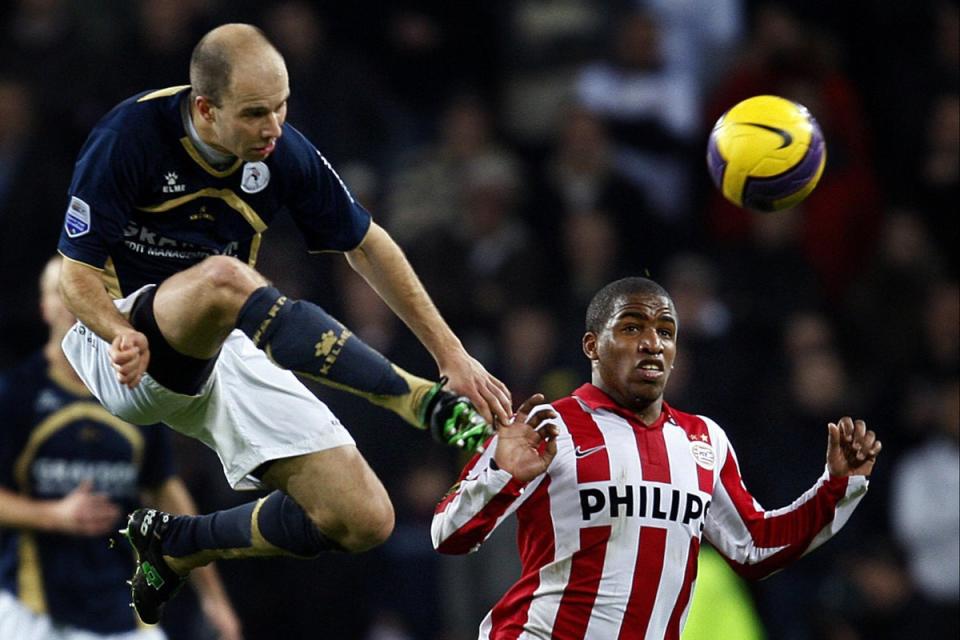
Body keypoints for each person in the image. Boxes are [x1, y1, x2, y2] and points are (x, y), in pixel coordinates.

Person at [55, 23, 511, 626]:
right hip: (118, 343)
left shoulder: (281, 150)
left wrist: (451, 352)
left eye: (281, 106)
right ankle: (418, 400)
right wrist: (118, 331)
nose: (273, 127)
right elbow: (75, 274)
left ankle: (177, 544)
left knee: (363, 518)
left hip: (222, 342)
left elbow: (367, 243)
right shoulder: (130, 135)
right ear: (204, 109)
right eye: (254, 114)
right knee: (224, 277)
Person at [432, 276, 881, 639]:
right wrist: (499, 472)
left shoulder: (704, 439)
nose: (652, 343)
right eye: (631, 327)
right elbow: (447, 533)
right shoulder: (548, 425)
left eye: (665, 332)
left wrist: (837, 486)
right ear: (592, 345)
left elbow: (755, 548)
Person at [0, 256, 242, 640]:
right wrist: (55, 515)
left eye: (86, 296)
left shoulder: (130, 394)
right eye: (63, 296)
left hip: (120, 610)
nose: (73, 309)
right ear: (44, 307)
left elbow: (165, 490)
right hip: (34, 611)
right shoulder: (17, 393)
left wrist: (214, 598)